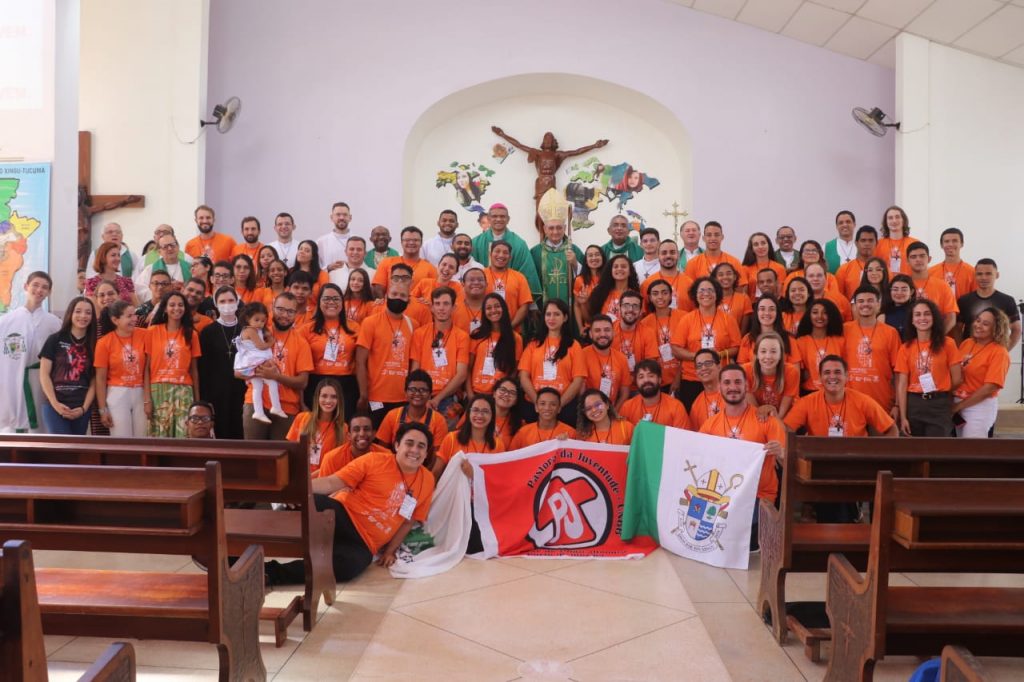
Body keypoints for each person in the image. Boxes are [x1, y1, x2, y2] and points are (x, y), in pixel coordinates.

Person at [264, 421, 436, 585]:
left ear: (426, 452)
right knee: (310, 502)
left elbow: (408, 520)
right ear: (397, 445)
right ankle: (246, 547)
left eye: (421, 446)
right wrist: (298, 489)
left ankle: (270, 574)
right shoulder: (374, 460)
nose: (414, 450)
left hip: (364, 543)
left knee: (349, 567)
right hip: (343, 516)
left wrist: (390, 551)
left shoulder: (427, 480)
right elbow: (332, 482)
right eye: (409, 443)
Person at [699, 364, 785, 551]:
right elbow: (700, 463)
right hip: (722, 497)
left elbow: (787, 463)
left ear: (747, 385)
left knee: (740, 543)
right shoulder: (709, 425)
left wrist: (782, 453)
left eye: (738, 382)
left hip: (758, 496)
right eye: (727, 382)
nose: (733, 387)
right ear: (720, 387)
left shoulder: (766, 419)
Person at [240, 292, 313, 440]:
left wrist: (275, 376)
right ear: (272, 308)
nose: (285, 315)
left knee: (281, 459)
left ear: (296, 313)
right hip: (255, 402)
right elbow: (240, 369)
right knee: (253, 455)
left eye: (290, 311)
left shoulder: (301, 343)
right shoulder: (256, 333)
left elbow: (302, 382)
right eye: (280, 309)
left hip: (287, 407)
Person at [355, 268, 421, 426]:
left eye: (403, 296)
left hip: (403, 397)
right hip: (376, 397)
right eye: (394, 295)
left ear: (409, 300)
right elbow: (360, 362)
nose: (398, 298)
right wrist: (364, 393)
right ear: (386, 297)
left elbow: (414, 363)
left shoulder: (414, 325)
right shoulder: (370, 322)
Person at [670, 277, 741, 410]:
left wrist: (719, 355)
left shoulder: (728, 319)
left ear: (717, 294)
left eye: (710, 290)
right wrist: (697, 357)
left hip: (720, 377)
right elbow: (675, 348)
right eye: (701, 290)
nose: (706, 293)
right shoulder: (687, 319)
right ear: (695, 296)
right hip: (692, 377)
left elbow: (736, 347)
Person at [895, 299, 962, 437]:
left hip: (939, 404)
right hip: (913, 404)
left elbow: (957, 379)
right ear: (912, 320)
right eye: (917, 315)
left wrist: (940, 390)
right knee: (913, 452)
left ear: (934, 318)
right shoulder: (905, 348)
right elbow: (902, 385)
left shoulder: (948, 344)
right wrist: (903, 417)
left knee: (937, 451)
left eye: (927, 314)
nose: (922, 318)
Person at [519, 298, 586, 424]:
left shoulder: (574, 345)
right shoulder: (534, 344)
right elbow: (524, 376)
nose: (552, 318)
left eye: (557, 314)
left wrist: (559, 404)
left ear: (565, 318)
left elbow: (578, 379)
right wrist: (538, 403)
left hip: (564, 407)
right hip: (534, 406)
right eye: (548, 314)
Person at [410, 287, 470, 427]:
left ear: (454, 307)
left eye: (446, 304)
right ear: (431, 307)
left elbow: (461, 374)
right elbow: (415, 371)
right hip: (422, 397)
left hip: (448, 399)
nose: (441, 308)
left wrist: (437, 399)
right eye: (437, 304)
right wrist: (421, 396)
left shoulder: (462, 336)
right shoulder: (420, 333)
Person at [144, 291, 201, 438]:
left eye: (181, 305)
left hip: (184, 391)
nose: (177, 308)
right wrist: (147, 400)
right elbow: (146, 369)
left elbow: (194, 371)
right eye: (172, 305)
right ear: (164, 308)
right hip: (158, 390)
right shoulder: (151, 332)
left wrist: (197, 402)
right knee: (159, 438)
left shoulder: (191, 334)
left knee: (184, 437)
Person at [38, 297, 96, 435]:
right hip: (54, 405)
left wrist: (83, 408)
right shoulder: (55, 339)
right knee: (61, 451)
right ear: (70, 313)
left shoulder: (95, 344)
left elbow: (95, 380)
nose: (83, 316)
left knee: (76, 452)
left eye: (88, 312)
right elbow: (44, 374)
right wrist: (55, 404)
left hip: (81, 407)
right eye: (78, 311)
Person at [302, 283, 360, 419]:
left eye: (336, 299)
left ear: (342, 302)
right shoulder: (306, 329)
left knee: (343, 425)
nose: (331, 302)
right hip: (316, 383)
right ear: (319, 302)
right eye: (326, 298)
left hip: (347, 384)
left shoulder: (355, 327)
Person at [953, 308, 1011, 437]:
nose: (978, 325)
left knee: (972, 450)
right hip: (958, 403)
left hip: (979, 407)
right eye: (978, 320)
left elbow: (990, 388)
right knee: (959, 450)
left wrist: (959, 406)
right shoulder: (967, 343)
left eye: (985, 324)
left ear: (997, 329)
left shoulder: (999, 352)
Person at [843, 285, 901, 414]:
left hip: (882, 403)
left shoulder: (890, 333)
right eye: (861, 301)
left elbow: (898, 372)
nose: (865, 304)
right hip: (850, 403)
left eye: (870, 300)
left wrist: (897, 405)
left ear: (878, 304)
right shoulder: (844, 330)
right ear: (855, 305)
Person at [197, 286, 246, 439]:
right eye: (222, 301)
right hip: (216, 393)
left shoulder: (246, 330)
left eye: (231, 300)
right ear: (216, 304)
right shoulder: (207, 332)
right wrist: (205, 399)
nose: (227, 304)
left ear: (237, 302)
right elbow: (203, 369)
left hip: (242, 392)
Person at [95, 300, 148, 436]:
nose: (134, 319)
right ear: (115, 320)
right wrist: (103, 410)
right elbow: (100, 379)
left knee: (143, 439)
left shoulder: (145, 335)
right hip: (117, 392)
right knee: (121, 440)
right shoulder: (104, 342)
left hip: (141, 391)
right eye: (129, 316)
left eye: (134, 315)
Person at [470, 203, 542, 297]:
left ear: (508, 219)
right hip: (482, 297)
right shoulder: (475, 243)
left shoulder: (519, 244)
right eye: (495, 216)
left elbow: (527, 273)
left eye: (502, 216)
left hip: (511, 295)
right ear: (488, 219)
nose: (498, 219)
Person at [234, 302, 287, 423]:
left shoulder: (256, 330)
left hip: (252, 362)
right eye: (256, 320)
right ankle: (276, 407)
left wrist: (266, 332)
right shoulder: (250, 331)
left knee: (257, 387)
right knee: (272, 383)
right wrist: (271, 343)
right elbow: (260, 346)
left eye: (263, 321)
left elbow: (265, 334)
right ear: (247, 318)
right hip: (255, 361)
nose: (260, 324)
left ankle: (258, 412)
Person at [531, 189, 584, 306]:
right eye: (551, 228)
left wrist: (575, 264)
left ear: (565, 228)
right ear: (544, 229)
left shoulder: (574, 250)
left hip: (570, 309)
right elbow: (530, 282)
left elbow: (587, 278)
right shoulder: (535, 253)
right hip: (544, 310)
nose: (555, 232)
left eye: (559, 228)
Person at [375, 370, 449, 453]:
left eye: (423, 390)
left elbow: (437, 456)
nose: (417, 393)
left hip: (424, 465)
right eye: (412, 389)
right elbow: (381, 450)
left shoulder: (439, 420)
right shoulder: (392, 415)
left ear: (430, 394)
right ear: (406, 393)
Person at [956, 258, 1021, 350]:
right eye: (979, 274)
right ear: (975, 275)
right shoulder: (964, 300)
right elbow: (957, 329)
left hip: (995, 356)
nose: (983, 277)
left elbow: (1017, 329)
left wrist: (1005, 350)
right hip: (969, 355)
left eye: (988, 274)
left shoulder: (1007, 300)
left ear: (997, 275)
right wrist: (961, 350)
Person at [467, 293, 522, 398]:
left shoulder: (516, 338)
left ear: (504, 308)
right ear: (484, 312)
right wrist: (470, 395)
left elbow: (514, 371)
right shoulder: (477, 335)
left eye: (497, 306)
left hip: (499, 396)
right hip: (476, 393)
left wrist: (503, 393)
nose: (493, 310)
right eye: (488, 308)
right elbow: (468, 369)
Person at [435, 394, 504, 478]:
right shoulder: (452, 438)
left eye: (485, 411)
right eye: (475, 410)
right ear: (468, 413)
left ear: (492, 416)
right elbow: (436, 472)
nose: (479, 415)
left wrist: (474, 474)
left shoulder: (498, 445)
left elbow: (497, 478)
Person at [287, 378, 347, 472]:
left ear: (339, 400)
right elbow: (290, 451)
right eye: (324, 396)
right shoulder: (302, 417)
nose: (328, 400)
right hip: (299, 474)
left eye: (334, 397)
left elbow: (338, 463)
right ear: (317, 398)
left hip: (324, 479)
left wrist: (312, 479)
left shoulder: (343, 428)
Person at [639, 279, 684, 394]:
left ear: (670, 296)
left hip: (683, 376)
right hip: (658, 381)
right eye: (655, 293)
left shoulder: (684, 317)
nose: (660, 297)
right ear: (649, 298)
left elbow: (689, 349)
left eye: (664, 293)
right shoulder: (644, 323)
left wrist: (677, 378)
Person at [618, 360, 691, 428]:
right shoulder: (627, 408)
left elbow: (683, 439)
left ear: (659, 379)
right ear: (636, 382)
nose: (646, 380)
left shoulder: (676, 407)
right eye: (641, 377)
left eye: (651, 376)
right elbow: (623, 438)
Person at [795, 299, 847, 394]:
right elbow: (800, 373)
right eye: (815, 312)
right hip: (809, 392)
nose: (820, 316)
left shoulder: (840, 341)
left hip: (835, 391)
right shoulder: (800, 342)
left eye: (825, 313)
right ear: (809, 315)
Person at [317, 412, 391, 478]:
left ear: (374, 434)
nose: (362, 434)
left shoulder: (386, 456)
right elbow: (322, 491)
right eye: (356, 429)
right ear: (348, 436)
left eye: (366, 429)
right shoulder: (331, 459)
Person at [743, 332, 799, 419]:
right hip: (758, 416)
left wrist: (776, 423)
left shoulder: (791, 372)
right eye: (763, 351)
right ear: (757, 354)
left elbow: (782, 413)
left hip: (784, 416)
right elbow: (756, 410)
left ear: (781, 355)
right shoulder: (745, 371)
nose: (768, 356)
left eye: (773, 351)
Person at [906, 241, 957, 333]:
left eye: (922, 256)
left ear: (929, 259)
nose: (918, 260)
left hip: (935, 339)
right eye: (913, 257)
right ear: (907, 261)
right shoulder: (903, 285)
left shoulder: (942, 285)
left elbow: (951, 317)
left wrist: (937, 337)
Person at [581, 315, 631, 409]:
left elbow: (625, 392)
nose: (603, 334)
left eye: (607, 330)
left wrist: (614, 413)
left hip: (612, 411)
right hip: (588, 411)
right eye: (597, 330)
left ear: (613, 333)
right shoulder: (582, 356)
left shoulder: (621, 358)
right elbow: (580, 392)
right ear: (591, 334)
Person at [372, 226, 438, 295]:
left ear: (421, 243)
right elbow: (378, 289)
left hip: (418, 305)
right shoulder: (386, 262)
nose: (411, 243)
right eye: (407, 240)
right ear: (401, 242)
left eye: (416, 240)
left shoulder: (430, 268)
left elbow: (434, 295)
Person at [485, 240, 533, 328]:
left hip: (513, 331)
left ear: (510, 257)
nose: (501, 255)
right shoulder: (481, 276)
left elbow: (524, 306)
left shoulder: (519, 277)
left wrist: (510, 327)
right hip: (486, 331)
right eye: (497, 251)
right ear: (490, 254)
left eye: (505, 252)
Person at [508, 387, 574, 449]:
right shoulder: (523, 432)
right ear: (536, 407)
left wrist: (567, 444)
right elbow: (511, 457)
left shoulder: (570, 433)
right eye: (542, 403)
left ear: (559, 408)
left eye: (553, 404)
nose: (547, 408)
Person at [684, 221, 746, 287]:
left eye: (716, 235)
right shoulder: (692, 263)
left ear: (722, 237)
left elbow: (742, 287)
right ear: (703, 238)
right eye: (709, 235)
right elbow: (689, 288)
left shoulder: (734, 262)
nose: (713, 238)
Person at [737, 295, 795, 365]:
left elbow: (795, 372)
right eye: (762, 309)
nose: (767, 313)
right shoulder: (747, 339)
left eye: (771, 309)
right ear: (757, 313)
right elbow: (742, 370)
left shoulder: (789, 339)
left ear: (778, 313)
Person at [640, 240, 694, 313]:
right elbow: (643, 313)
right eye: (664, 253)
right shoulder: (647, 284)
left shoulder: (690, 284)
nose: (668, 256)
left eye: (672, 252)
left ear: (678, 255)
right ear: (658, 256)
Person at [611, 289, 657, 375]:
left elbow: (651, 365)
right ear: (619, 308)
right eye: (626, 305)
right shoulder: (609, 330)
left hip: (639, 383)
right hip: (615, 380)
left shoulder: (648, 332)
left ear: (640, 311)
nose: (631, 310)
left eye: (635, 306)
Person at [134, 233, 191, 302]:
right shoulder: (151, 269)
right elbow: (140, 289)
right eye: (165, 246)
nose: (170, 249)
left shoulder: (190, 267)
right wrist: (158, 295)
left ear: (178, 247)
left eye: (172, 245)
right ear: (159, 252)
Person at [587, 254, 640, 324]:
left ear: (630, 272)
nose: (619, 269)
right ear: (611, 271)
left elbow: (639, 321)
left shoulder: (636, 295)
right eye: (615, 267)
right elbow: (590, 318)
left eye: (623, 266)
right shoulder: (600, 292)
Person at [927, 227, 976, 299]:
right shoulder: (931, 272)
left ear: (962, 244)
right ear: (941, 245)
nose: (950, 244)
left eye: (955, 241)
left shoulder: (972, 272)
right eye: (947, 241)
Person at [835, 226, 879, 299]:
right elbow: (838, 298)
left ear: (876, 243)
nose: (867, 244)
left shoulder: (883, 269)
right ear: (856, 243)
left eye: (871, 240)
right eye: (863, 240)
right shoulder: (844, 270)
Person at [742, 232, 786, 298]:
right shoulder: (745, 269)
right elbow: (744, 295)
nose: (760, 247)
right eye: (756, 244)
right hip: (752, 306)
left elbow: (780, 294)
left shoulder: (780, 268)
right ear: (752, 249)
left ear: (769, 245)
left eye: (763, 243)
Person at [573, 245, 606, 334]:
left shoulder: (609, 278)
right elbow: (576, 305)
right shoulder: (579, 280)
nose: (594, 258)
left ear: (603, 258)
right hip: (590, 325)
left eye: (597, 254)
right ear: (586, 260)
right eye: (590, 255)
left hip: (609, 324)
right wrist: (580, 327)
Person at [317, 201, 355, 278]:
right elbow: (315, 267)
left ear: (350, 218)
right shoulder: (321, 242)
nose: (341, 218)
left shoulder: (357, 241)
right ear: (332, 217)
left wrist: (350, 265)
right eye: (338, 215)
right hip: (329, 284)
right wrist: (328, 268)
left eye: (345, 215)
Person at [713, 261, 752, 334]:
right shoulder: (711, 299)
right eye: (721, 275)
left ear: (734, 277)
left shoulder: (744, 299)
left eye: (729, 274)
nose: (725, 277)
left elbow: (743, 331)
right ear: (715, 279)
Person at [688, 349, 722, 431]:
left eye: (708, 363)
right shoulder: (696, 406)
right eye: (699, 366)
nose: (703, 368)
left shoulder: (734, 393)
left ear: (719, 366)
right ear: (696, 372)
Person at [875, 205, 913, 276]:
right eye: (890, 218)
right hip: (885, 285)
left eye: (897, 217)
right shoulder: (878, 244)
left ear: (903, 220)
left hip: (907, 285)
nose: (894, 221)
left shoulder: (914, 243)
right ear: (886, 222)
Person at [453, 267, 487, 335]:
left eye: (480, 280)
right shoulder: (453, 308)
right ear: (463, 284)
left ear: (486, 284)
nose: (476, 282)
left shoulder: (493, 309)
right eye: (471, 280)